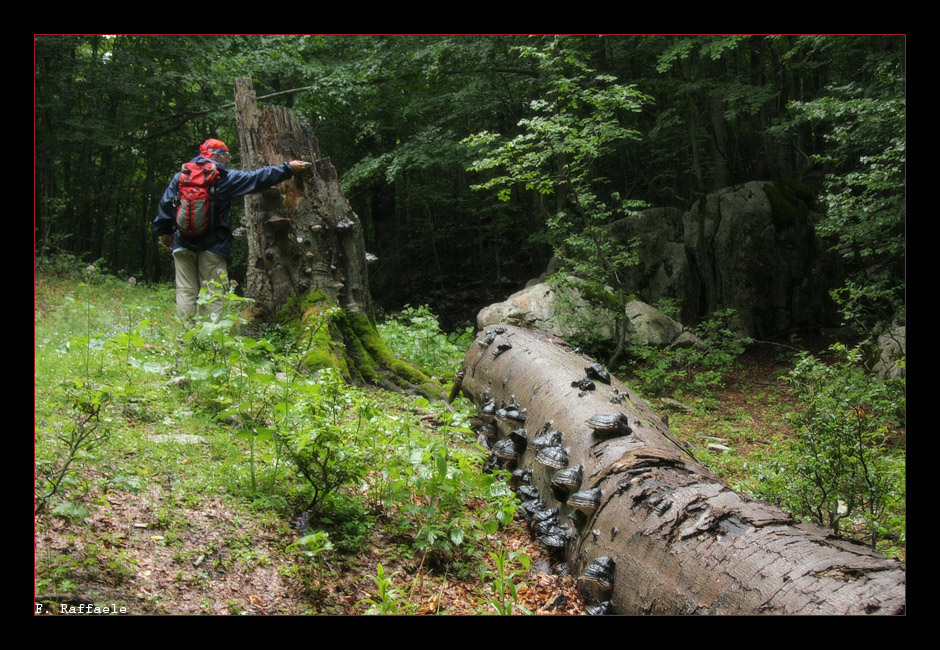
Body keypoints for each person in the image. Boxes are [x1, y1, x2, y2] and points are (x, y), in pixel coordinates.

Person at [153, 138, 309, 318]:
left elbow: (165, 204)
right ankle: (211, 339)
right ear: (217, 157)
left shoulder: (181, 176)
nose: (227, 161)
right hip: (213, 245)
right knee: (214, 292)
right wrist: (287, 168)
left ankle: (186, 338)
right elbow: (257, 178)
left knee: (186, 291)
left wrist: (164, 232)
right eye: (226, 157)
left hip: (181, 242)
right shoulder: (223, 178)